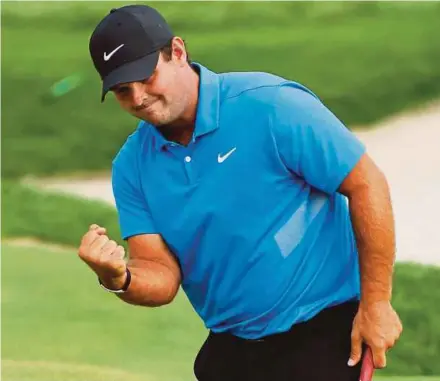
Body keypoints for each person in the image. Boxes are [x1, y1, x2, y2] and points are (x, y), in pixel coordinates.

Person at [80, 4, 403, 381]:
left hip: (322, 330)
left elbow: (366, 183)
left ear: (178, 53)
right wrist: (118, 278)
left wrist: (377, 303)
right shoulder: (132, 166)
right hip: (233, 346)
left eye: (146, 77)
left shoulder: (271, 106)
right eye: (122, 90)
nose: (137, 98)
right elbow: (160, 273)